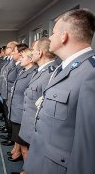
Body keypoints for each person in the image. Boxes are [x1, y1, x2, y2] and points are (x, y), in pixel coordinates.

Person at [25, 9, 95, 174]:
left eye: (53, 33)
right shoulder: (62, 68)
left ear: (64, 36)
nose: (49, 38)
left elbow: (88, 145)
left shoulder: (90, 74)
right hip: (43, 158)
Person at [8, 48, 37, 164]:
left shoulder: (33, 73)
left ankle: (27, 169)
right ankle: (25, 165)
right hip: (17, 109)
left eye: (23, 57)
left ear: (30, 59)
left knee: (25, 147)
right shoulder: (23, 71)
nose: (20, 59)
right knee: (21, 142)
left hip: (23, 111)